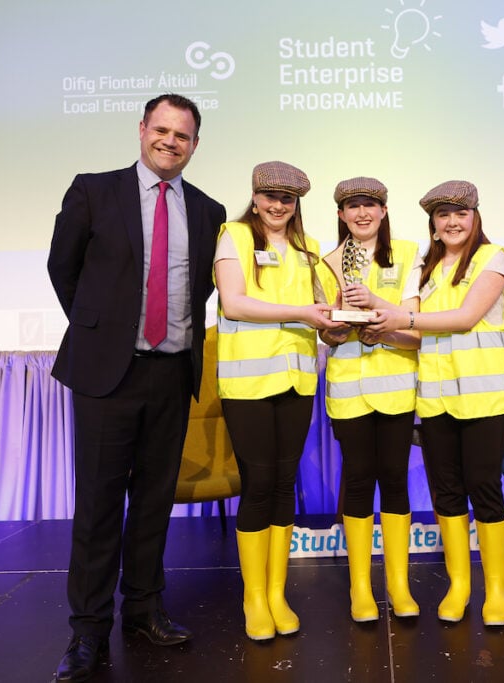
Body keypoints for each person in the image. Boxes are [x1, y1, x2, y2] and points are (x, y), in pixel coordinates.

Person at [47, 93, 226, 681]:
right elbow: (62, 267)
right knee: (98, 508)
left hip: (172, 373)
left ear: (194, 145)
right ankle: (88, 632)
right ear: (142, 129)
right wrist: (101, 329)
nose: (171, 142)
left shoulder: (208, 210)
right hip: (106, 375)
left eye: (183, 135)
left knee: (153, 504)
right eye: (163, 130)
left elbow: (200, 290)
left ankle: (144, 611)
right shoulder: (93, 190)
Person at [366, 180, 504, 627]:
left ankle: (498, 592)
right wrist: (376, 329)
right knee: (446, 492)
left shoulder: (493, 258)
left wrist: (399, 317)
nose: (452, 222)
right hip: (436, 400)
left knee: (484, 490)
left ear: (475, 218)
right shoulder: (424, 271)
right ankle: (460, 586)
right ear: (432, 224)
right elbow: (414, 332)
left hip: (484, 399)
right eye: (443, 215)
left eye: (461, 214)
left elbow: (466, 317)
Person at [213, 161, 347, 640]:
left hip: (295, 382)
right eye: (270, 197)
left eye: (287, 200)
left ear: (297, 205)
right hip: (248, 386)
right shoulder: (234, 236)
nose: (277, 206)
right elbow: (234, 303)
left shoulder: (311, 249)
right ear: (254, 197)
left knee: (284, 485)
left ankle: (276, 592)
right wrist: (303, 314)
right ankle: (253, 597)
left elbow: (324, 315)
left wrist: (342, 324)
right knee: (259, 483)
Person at [314, 177, 422, 622]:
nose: (361, 213)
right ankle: (361, 588)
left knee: (394, 479)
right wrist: (335, 327)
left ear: (383, 210)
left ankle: (398, 585)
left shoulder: (412, 253)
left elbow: (417, 329)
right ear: (340, 214)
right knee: (357, 480)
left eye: (370, 205)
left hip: (396, 383)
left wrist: (383, 323)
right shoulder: (323, 262)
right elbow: (323, 328)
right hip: (348, 387)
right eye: (352, 206)